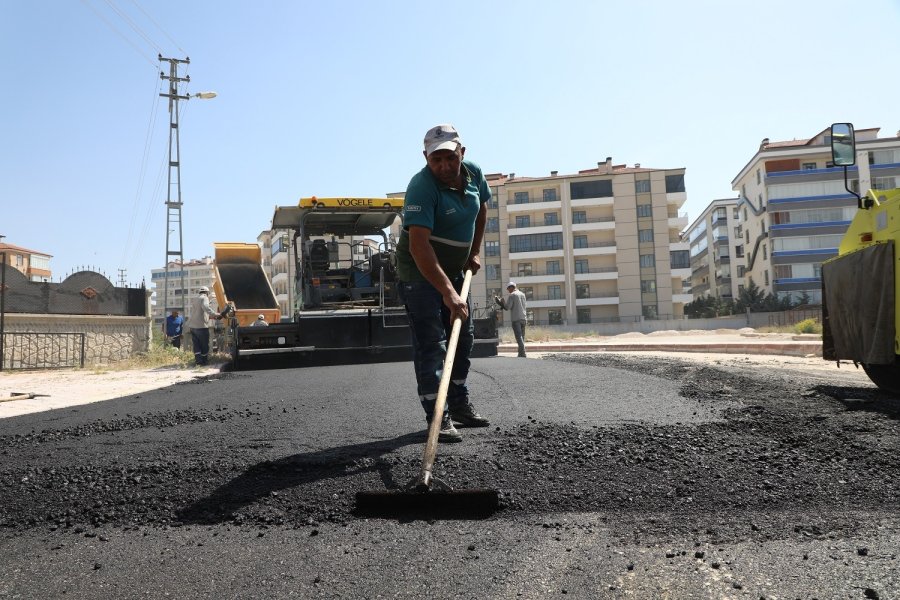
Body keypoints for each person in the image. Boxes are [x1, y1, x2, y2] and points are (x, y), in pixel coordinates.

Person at [395, 123, 491, 443]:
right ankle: (438, 413)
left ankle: (459, 402)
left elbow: (481, 212)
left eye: (450, 158)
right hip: (419, 273)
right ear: (426, 158)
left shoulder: (474, 175)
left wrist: (473, 252)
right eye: (436, 160)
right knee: (432, 344)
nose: (444, 166)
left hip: (454, 270)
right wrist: (449, 294)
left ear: (462, 153)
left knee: (463, 338)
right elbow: (419, 247)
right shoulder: (422, 187)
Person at [185, 286, 223, 366]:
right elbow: (206, 308)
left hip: (193, 326)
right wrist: (215, 314)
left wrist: (211, 317)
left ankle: (198, 361)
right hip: (201, 327)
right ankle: (204, 361)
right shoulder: (204, 298)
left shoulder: (195, 299)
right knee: (204, 344)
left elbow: (199, 313)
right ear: (206, 292)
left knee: (197, 345)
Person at [495, 281, 528, 357]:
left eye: (508, 288)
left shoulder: (512, 295)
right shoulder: (522, 294)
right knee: (522, 337)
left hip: (516, 319)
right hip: (524, 318)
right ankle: (521, 354)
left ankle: (523, 353)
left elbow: (507, 307)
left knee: (519, 337)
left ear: (511, 287)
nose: (508, 290)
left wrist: (502, 302)